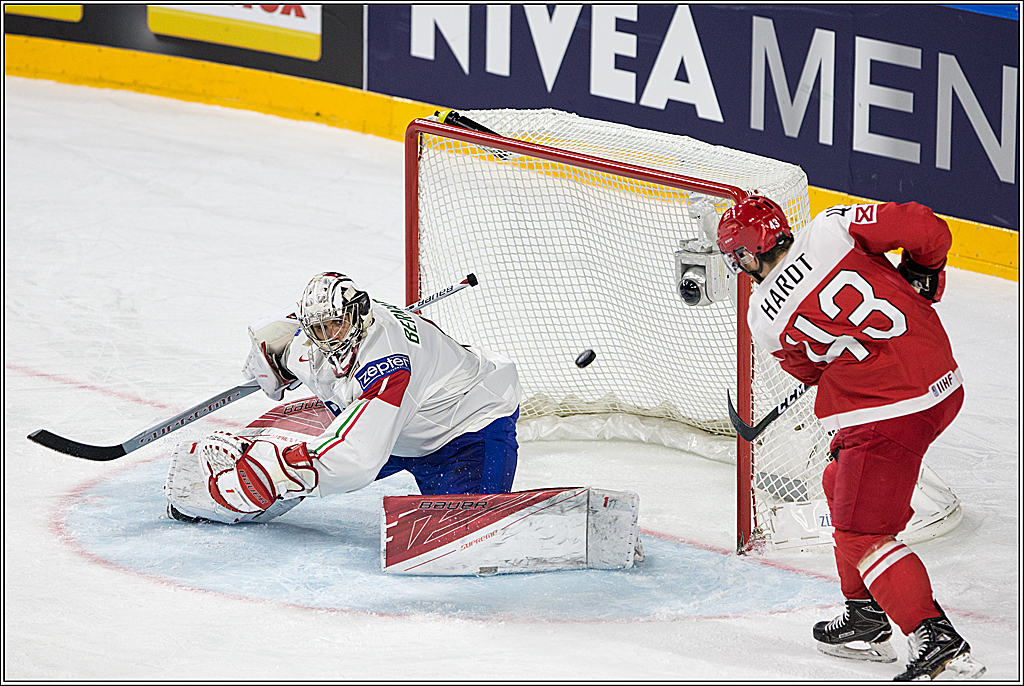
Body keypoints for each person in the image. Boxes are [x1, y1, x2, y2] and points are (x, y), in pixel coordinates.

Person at [716, 196, 985, 681]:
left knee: (863, 535)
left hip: (890, 413)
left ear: (747, 256)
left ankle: (934, 637)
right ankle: (864, 615)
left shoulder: (763, 319)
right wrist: (924, 271)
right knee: (837, 482)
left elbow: (810, 371)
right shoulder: (831, 227)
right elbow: (926, 226)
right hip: (941, 380)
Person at [166, 272, 523, 525]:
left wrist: (276, 470)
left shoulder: (388, 364)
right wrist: (269, 358)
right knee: (305, 463)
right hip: (398, 428)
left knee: (462, 531)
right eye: (318, 329)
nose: (328, 337)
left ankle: (261, 474)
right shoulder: (313, 338)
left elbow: (357, 457)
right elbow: (278, 334)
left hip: (465, 429)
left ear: (358, 312)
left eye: (334, 325)